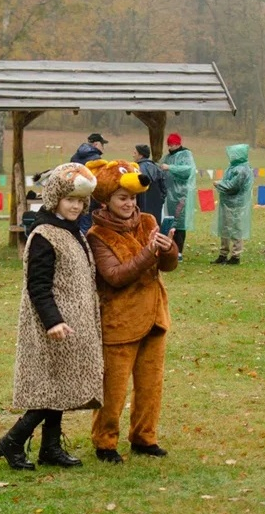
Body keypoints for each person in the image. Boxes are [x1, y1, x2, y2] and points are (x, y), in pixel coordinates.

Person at [0, 163, 103, 470]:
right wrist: (52, 321)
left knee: (61, 386)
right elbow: (38, 285)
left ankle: (50, 448)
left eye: (81, 202)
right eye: (71, 200)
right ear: (55, 198)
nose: (76, 206)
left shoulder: (71, 231)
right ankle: (12, 441)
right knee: (49, 389)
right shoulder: (44, 235)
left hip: (72, 326)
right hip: (52, 325)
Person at [85, 158, 178, 463]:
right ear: (107, 199)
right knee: (114, 389)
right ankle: (105, 442)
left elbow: (168, 266)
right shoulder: (97, 236)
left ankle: (144, 437)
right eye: (122, 198)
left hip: (154, 316)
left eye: (132, 198)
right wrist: (150, 252)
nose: (129, 204)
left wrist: (167, 248)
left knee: (151, 385)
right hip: (120, 321)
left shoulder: (150, 222)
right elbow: (115, 276)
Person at [211, 144, 254, 265]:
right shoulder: (233, 167)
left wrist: (219, 184)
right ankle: (223, 254)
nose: (231, 156)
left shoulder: (242, 170)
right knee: (225, 228)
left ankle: (235, 256)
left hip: (236, 204)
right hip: (227, 203)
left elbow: (233, 186)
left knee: (235, 229)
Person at [159, 133, 197, 261]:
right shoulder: (168, 156)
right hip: (169, 195)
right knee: (170, 222)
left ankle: (179, 251)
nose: (170, 147)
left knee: (179, 222)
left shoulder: (186, 155)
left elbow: (187, 170)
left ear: (178, 144)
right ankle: (170, 248)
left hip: (181, 194)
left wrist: (170, 167)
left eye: (172, 145)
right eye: (168, 145)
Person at [70, 133, 109, 235]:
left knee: (76, 225)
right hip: (91, 199)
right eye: (102, 144)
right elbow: (100, 181)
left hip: (76, 196)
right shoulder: (97, 159)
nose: (103, 147)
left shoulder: (74, 157)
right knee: (88, 228)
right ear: (96, 144)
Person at [132, 144, 167, 226]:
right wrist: (159, 202)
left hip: (140, 209)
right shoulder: (158, 168)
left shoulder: (136, 170)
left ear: (141, 155)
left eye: (135, 153)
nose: (133, 155)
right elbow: (164, 189)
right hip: (156, 210)